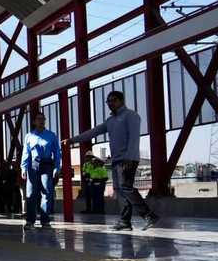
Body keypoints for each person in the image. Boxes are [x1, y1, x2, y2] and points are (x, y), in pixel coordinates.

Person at [63, 91, 160, 231]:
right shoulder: (110, 121)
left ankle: (149, 216)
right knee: (119, 191)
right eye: (108, 101)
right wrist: (72, 140)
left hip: (127, 159)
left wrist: (129, 157)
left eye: (113, 100)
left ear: (121, 100)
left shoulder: (131, 115)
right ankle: (125, 222)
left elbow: (134, 138)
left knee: (126, 188)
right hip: (116, 160)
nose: (110, 103)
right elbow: (93, 132)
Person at [20, 112, 62, 230]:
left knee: (47, 192)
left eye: (43, 119)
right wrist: (23, 168)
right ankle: (30, 221)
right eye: (38, 119)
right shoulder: (29, 136)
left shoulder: (51, 135)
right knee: (31, 193)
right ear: (34, 122)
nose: (41, 121)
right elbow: (26, 153)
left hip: (47, 165)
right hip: (33, 166)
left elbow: (57, 153)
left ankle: (45, 221)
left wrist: (57, 168)